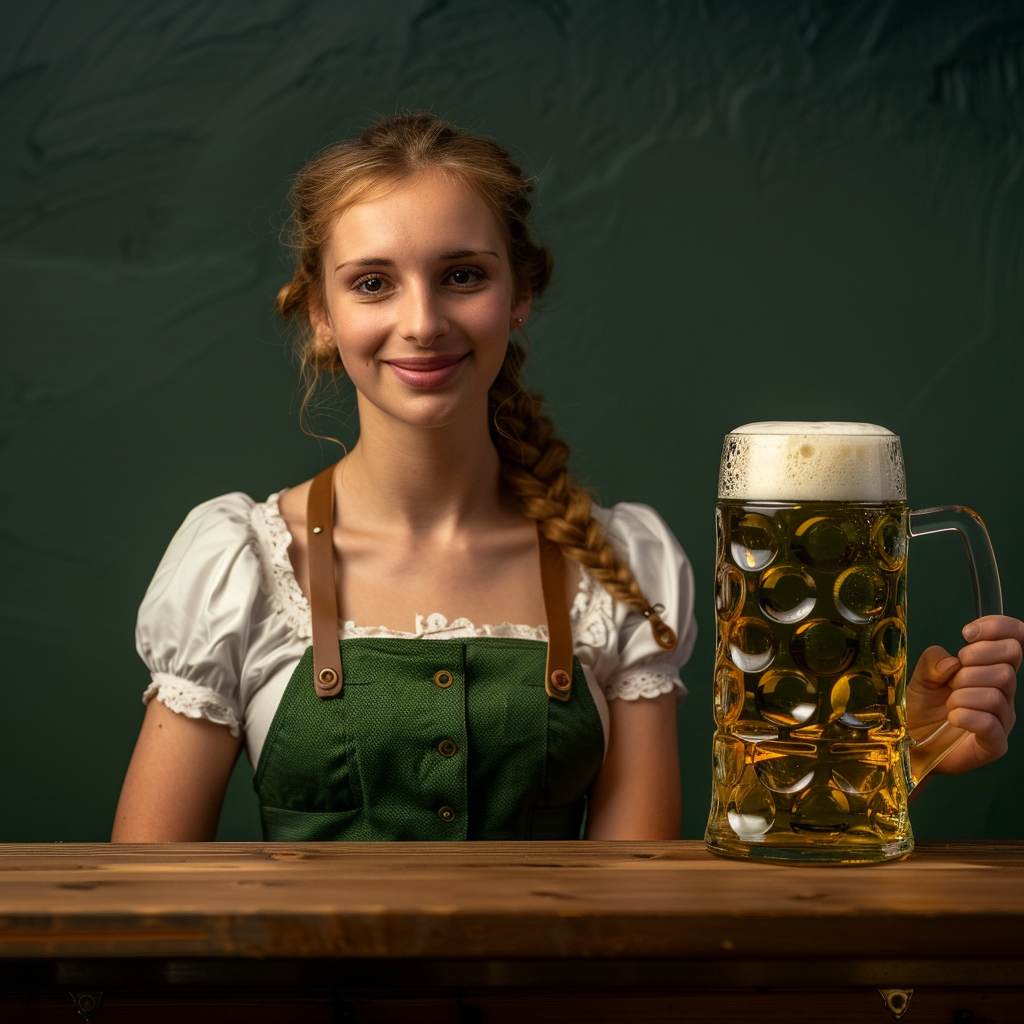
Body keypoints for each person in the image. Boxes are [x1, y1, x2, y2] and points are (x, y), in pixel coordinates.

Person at [112, 113, 1020, 843]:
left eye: (461, 274)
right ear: (320, 312)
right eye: (373, 283)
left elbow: (636, 904)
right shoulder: (236, 560)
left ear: (521, 293)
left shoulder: (618, 565)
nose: (422, 321)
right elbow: (148, 905)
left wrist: (883, 753)